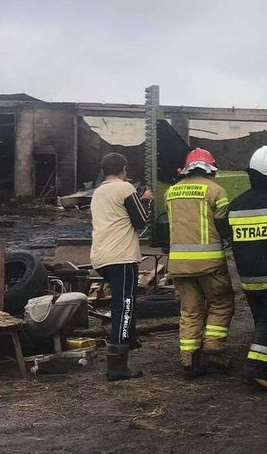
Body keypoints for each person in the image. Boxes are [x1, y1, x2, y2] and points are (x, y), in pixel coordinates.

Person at [223, 146, 267, 391]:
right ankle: (256, 368)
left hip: (247, 276)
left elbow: (229, 235)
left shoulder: (236, 205)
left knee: (263, 320)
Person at [166, 148, 234, 378]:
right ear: (210, 168)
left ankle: (189, 359)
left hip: (179, 264)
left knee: (190, 310)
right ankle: (213, 347)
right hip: (209, 263)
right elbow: (223, 223)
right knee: (221, 303)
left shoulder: (171, 192)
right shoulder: (216, 190)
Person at [90, 152, 151, 382]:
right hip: (121, 257)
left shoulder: (98, 192)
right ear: (124, 169)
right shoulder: (125, 188)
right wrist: (146, 199)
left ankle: (129, 339)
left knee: (125, 302)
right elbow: (140, 220)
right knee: (123, 306)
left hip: (101, 257)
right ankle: (117, 366)